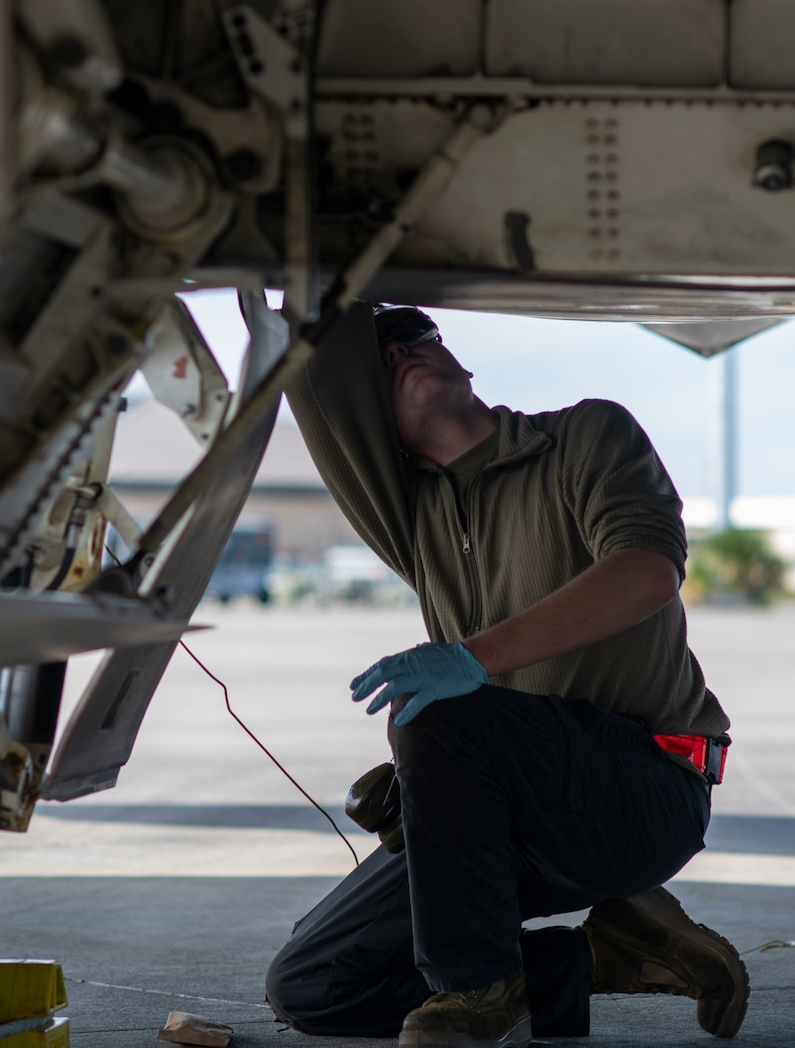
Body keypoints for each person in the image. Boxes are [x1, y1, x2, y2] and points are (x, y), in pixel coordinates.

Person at [264, 303, 747, 1048]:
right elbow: (314, 363)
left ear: (455, 353)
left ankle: (476, 987)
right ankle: (604, 951)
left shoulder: (585, 436)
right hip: (506, 817)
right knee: (313, 982)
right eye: (382, 359)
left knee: (431, 711)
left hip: (644, 789)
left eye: (415, 337)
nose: (405, 354)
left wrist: (474, 659)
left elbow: (647, 571)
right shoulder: (413, 512)